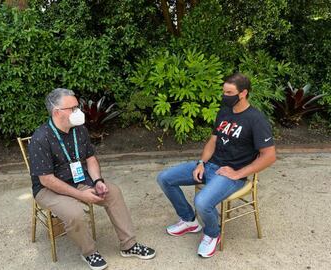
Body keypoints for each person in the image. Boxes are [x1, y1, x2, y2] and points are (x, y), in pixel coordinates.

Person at [29, 88, 155, 270]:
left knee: (113, 192)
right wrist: (81, 196)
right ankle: (89, 252)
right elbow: (47, 180)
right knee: (74, 213)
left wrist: (98, 181)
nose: (78, 111)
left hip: (80, 180)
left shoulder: (79, 130)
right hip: (49, 189)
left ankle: (129, 245)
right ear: (57, 112)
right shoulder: (41, 138)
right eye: (72, 108)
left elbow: (90, 159)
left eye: (77, 106)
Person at [157, 73, 276, 258]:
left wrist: (238, 174)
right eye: (223, 92)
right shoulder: (224, 111)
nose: (224, 96)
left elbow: (269, 156)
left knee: (202, 202)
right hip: (210, 165)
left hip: (231, 175)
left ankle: (213, 233)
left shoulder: (256, 120)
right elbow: (213, 141)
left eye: (229, 92)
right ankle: (189, 220)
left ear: (243, 93)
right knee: (165, 178)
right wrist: (201, 163)